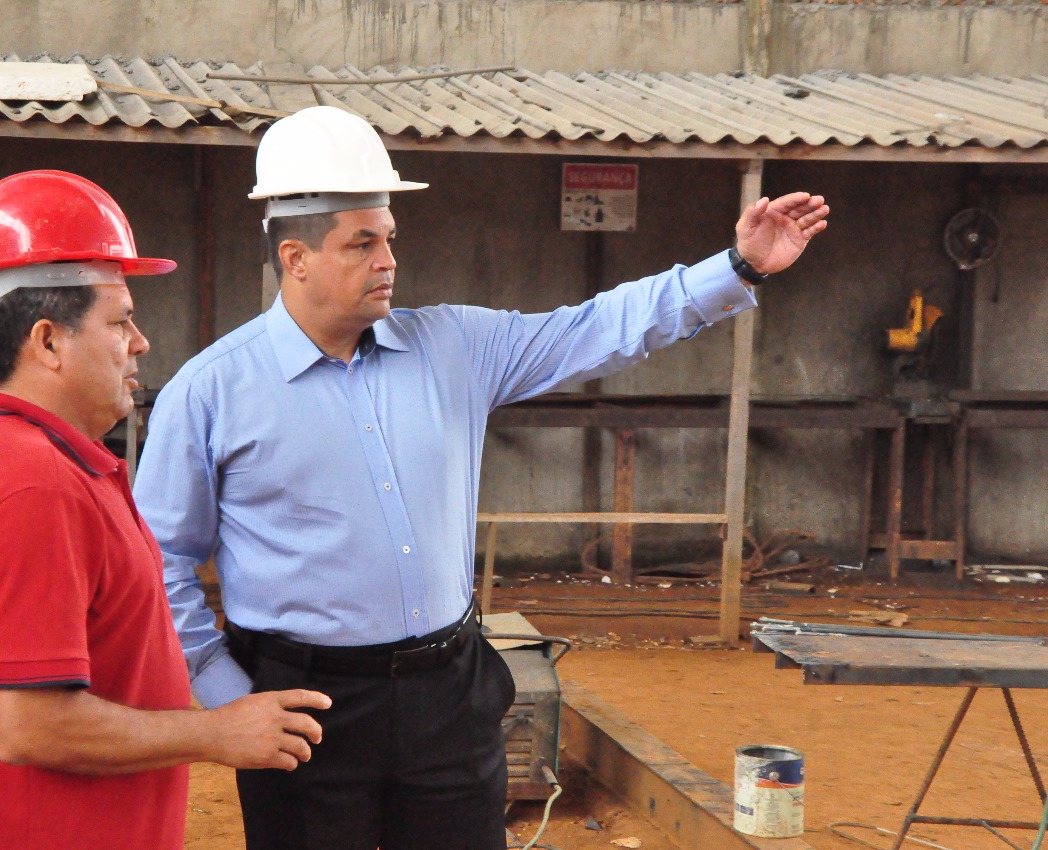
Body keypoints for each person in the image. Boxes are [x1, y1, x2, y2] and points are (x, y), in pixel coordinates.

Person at [133, 106, 830, 850]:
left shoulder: (454, 346)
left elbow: (595, 328)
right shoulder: (211, 392)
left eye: (390, 238)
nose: (388, 260)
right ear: (295, 258)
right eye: (361, 243)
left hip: (450, 695)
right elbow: (160, 558)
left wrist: (738, 268)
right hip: (303, 709)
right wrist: (223, 692)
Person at [0, 170, 330, 850]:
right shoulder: (33, 485)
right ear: (48, 342)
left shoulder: (47, 459)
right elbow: (33, 725)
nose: (140, 342)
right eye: (120, 319)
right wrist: (216, 732)